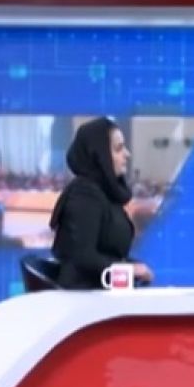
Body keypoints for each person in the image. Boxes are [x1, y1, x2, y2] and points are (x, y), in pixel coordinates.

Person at [49, 117, 155, 289]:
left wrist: (133, 267)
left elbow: (108, 254)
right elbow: (83, 256)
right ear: (99, 155)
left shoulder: (105, 194)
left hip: (102, 293)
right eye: (119, 149)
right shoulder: (84, 194)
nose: (127, 154)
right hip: (82, 296)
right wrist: (130, 269)